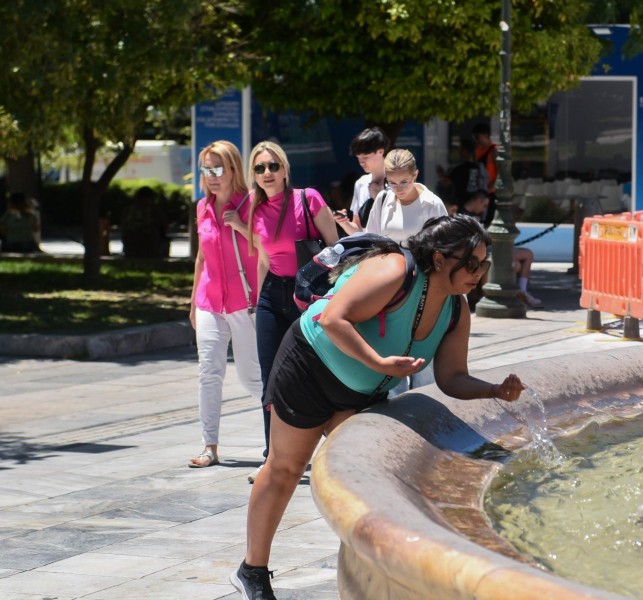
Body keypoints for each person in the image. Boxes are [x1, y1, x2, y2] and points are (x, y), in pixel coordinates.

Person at [229, 215, 526, 599]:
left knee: (361, 480)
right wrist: (379, 364)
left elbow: (452, 377)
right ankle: (251, 570)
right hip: (309, 367)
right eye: (472, 264)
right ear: (439, 259)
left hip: (360, 391)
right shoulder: (394, 271)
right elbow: (334, 318)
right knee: (286, 468)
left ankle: (370, 577)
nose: (479, 273)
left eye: (484, 265)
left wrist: (494, 391)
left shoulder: (457, 308)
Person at [235, 141, 340, 483]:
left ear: (284, 169)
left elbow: (336, 252)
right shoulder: (252, 205)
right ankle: (273, 457)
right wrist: (255, 295)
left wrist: (334, 298)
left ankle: (333, 451)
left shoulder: (307, 199)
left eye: (273, 166)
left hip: (307, 295)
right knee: (271, 378)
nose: (267, 173)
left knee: (314, 375)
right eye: (260, 168)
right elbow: (265, 256)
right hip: (271, 295)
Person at [188, 141, 263, 468]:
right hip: (209, 302)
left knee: (252, 379)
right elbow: (202, 257)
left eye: (219, 169)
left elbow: (267, 248)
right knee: (209, 372)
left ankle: (286, 437)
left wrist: (239, 226)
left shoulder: (251, 205)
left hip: (245, 304)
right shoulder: (202, 207)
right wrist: (193, 303)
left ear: (233, 170)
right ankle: (210, 446)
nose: (212, 176)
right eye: (207, 170)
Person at [459, 191, 543, 308]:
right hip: (480, 252)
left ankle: (522, 291)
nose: (484, 210)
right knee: (514, 265)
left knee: (526, 255)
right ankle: (491, 296)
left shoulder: (480, 216)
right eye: (484, 206)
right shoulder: (461, 215)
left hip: (491, 248)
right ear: (478, 201)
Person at [364, 148, 448, 245]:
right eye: (392, 183)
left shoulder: (433, 204)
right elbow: (370, 239)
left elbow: (442, 245)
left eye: (404, 182)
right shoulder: (382, 199)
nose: (398, 189)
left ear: (415, 175)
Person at [334, 127, 388, 235]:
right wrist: (344, 222)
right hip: (368, 249)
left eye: (366, 157)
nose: (361, 162)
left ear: (380, 151)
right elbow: (358, 230)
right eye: (358, 157)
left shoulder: (397, 182)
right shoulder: (361, 184)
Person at [121, 186, 169, 257]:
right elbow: (165, 228)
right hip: (152, 249)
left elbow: (123, 228)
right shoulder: (154, 210)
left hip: (130, 249)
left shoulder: (128, 210)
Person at [473, 122, 499, 225]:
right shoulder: (477, 150)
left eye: (477, 137)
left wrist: (489, 188)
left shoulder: (494, 151)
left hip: (491, 193)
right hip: (480, 192)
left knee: (489, 221)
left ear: (485, 135)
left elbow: (500, 174)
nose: (476, 140)